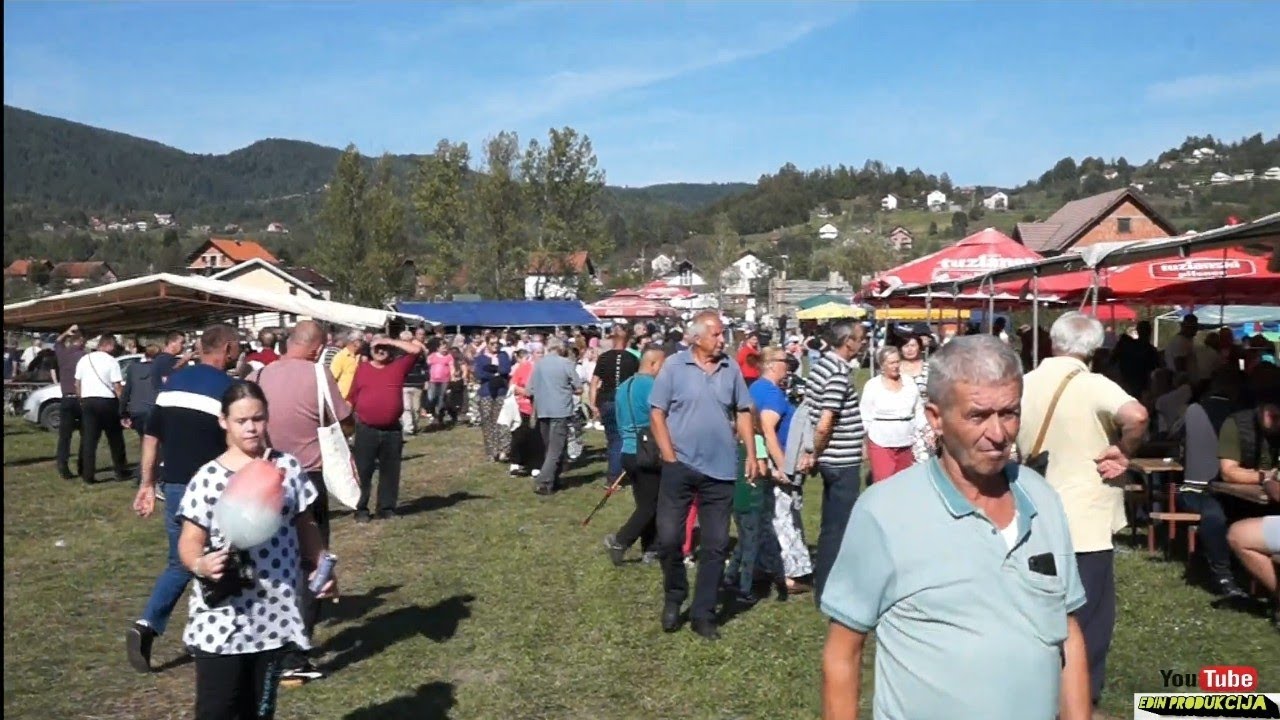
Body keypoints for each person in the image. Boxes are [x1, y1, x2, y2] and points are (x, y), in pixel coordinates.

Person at [821, 335, 1091, 720]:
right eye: (978, 416)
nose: (998, 434)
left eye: (1009, 412)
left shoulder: (1042, 498)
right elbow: (842, 652)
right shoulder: (885, 512)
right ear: (935, 418)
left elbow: (1068, 629)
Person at [177, 381, 336, 719]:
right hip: (223, 617)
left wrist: (320, 566)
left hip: (273, 616)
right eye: (241, 420)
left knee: (259, 713)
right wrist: (202, 564)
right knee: (216, 711)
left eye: (258, 418)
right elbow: (189, 541)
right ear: (224, 422)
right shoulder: (208, 478)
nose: (251, 427)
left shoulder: (288, 469)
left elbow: (305, 524)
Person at [1017, 311, 1148, 708]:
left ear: (1052, 342)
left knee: (1036, 610)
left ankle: (1035, 690)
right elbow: (1137, 415)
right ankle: (1079, 700)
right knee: (1088, 619)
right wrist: (1125, 450)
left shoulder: (1024, 382)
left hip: (1032, 512)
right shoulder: (1094, 385)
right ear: (1094, 349)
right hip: (1085, 519)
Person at [127, 323, 241, 673]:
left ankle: (147, 624)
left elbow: (151, 436)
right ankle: (219, 635)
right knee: (223, 559)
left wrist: (147, 482)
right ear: (226, 349)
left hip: (174, 485)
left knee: (181, 561)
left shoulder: (173, 383)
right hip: (214, 487)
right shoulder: (230, 390)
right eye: (236, 348)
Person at [249, 320, 353, 684]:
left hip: (265, 475)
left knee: (270, 563)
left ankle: (265, 643)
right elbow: (343, 421)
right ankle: (295, 652)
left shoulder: (261, 375)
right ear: (317, 347)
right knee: (313, 562)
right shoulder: (319, 374)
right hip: (306, 477)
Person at [649, 311, 759, 640]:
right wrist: (669, 456)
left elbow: (742, 411)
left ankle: (704, 612)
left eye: (723, 333)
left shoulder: (731, 369)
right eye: (716, 334)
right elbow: (657, 413)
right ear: (696, 337)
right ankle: (674, 594)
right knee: (668, 539)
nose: (722, 340)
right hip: (679, 465)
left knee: (715, 544)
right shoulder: (673, 367)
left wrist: (752, 454)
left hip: (721, 470)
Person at [800, 320, 867, 604]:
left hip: (833, 458)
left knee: (831, 526)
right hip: (840, 461)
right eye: (861, 338)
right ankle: (831, 588)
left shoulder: (821, 366)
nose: (864, 343)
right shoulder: (838, 372)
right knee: (841, 527)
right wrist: (815, 451)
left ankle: (825, 584)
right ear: (847, 342)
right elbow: (826, 421)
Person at [349, 335, 425, 522]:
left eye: (385, 348)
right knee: (363, 471)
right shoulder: (362, 369)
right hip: (366, 428)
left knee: (390, 471)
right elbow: (352, 397)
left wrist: (389, 341)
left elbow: (416, 350)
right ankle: (361, 509)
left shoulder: (398, 366)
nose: (381, 351)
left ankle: (387, 507)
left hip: (392, 429)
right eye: (377, 348)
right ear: (370, 351)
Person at [603, 347, 667, 565]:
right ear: (654, 364)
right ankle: (620, 540)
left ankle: (650, 548)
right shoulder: (653, 387)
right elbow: (660, 417)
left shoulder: (622, 387)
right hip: (648, 451)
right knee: (653, 504)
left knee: (645, 503)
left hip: (628, 451)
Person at [527, 339, 584, 495]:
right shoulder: (566, 364)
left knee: (550, 447)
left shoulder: (538, 364)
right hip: (561, 410)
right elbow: (579, 388)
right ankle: (544, 480)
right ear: (562, 349)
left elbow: (529, 389)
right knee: (556, 448)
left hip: (543, 410)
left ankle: (554, 479)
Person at [860, 346, 921, 483]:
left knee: (903, 484)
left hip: (906, 442)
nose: (896, 366)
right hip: (881, 442)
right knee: (884, 483)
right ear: (882, 365)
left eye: (897, 362)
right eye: (891, 363)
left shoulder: (909, 383)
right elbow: (865, 416)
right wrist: (863, 443)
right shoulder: (872, 386)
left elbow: (918, 410)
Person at [75, 334, 129, 483]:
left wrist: (81, 400)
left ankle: (88, 474)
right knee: (115, 439)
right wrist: (124, 406)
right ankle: (120, 470)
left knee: (89, 440)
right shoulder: (111, 361)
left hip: (88, 401)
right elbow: (117, 386)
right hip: (107, 402)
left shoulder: (84, 359)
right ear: (110, 345)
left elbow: (77, 383)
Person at [591, 327, 640, 486]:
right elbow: (637, 382)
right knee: (621, 439)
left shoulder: (604, 358)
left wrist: (592, 404)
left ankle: (616, 471)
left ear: (613, 339)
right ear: (626, 341)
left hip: (606, 400)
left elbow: (594, 383)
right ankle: (615, 476)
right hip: (624, 401)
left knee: (613, 438)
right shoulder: (632, 359)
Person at [53, 326, 86, 479]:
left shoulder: (63, 354)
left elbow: (57, 342)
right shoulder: (84, 357)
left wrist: (66, 332)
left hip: (66, 398)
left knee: (64, 436)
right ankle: (83, 465)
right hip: (81, 399)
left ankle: (62, 465)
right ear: (80, 342)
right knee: (86, 434)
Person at [474, 337, 513, 463]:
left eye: (497, 344)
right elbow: (479, 374)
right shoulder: (480, 358)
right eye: (492, 343)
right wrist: (494, 374)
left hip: (501, 392)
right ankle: (491, 452)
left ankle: (504, 450)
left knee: (502, 421)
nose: (495, 346)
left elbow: (505, 369)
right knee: (488, 422)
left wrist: (493, 369)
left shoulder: (503, 356)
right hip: (486, 393)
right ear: (487, 344)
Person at [508, 349, 546, 477]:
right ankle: (515, 462)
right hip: (523, 407)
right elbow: (512, 384)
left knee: (537, 437)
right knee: (519, 435)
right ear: (532, 354)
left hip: (541, 408)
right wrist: (524, 391)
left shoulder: (546, 368)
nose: (540, 355)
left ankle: (536, 465)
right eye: (537, 352)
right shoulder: (524, 367)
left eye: (542, 352)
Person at [122, 344, 161, 442]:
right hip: (156, 409)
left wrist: (123, 413)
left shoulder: (133, 368)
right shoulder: (161, 369)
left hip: (137, 410)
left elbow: (127, 391)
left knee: (144, 440)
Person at [425, 340, 455, 425]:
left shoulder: (449, 357)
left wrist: (452, 376)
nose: (445, 350)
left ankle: (439, 416)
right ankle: (432, 413)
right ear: (438, 348)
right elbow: (427, 364)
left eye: (446, 348)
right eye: (443, 348)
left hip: (444, 381)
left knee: (441, 398)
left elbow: (452, 367)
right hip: (433, 380)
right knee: (431, 397)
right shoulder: (432, 356)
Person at [329, 330, 364, 400]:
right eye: (362, 341)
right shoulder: (341, 356)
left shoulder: (359, 357)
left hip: (353, 401)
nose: (363, 344)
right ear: (356, 342)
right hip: (341, 400)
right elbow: (331, 379)